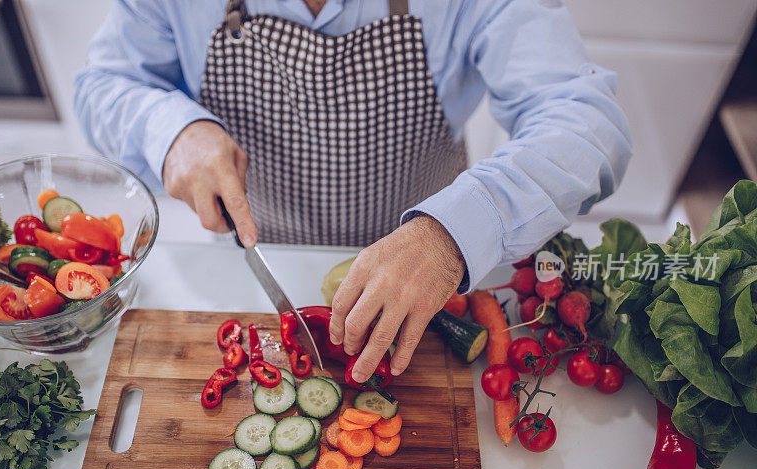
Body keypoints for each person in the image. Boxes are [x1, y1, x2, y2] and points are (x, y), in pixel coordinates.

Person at [75, 0, 631, 382]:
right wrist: (168, 128)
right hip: (253, 259)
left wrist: (454, 235)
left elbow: (587, 123)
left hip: (430, 276)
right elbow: (104, 84)